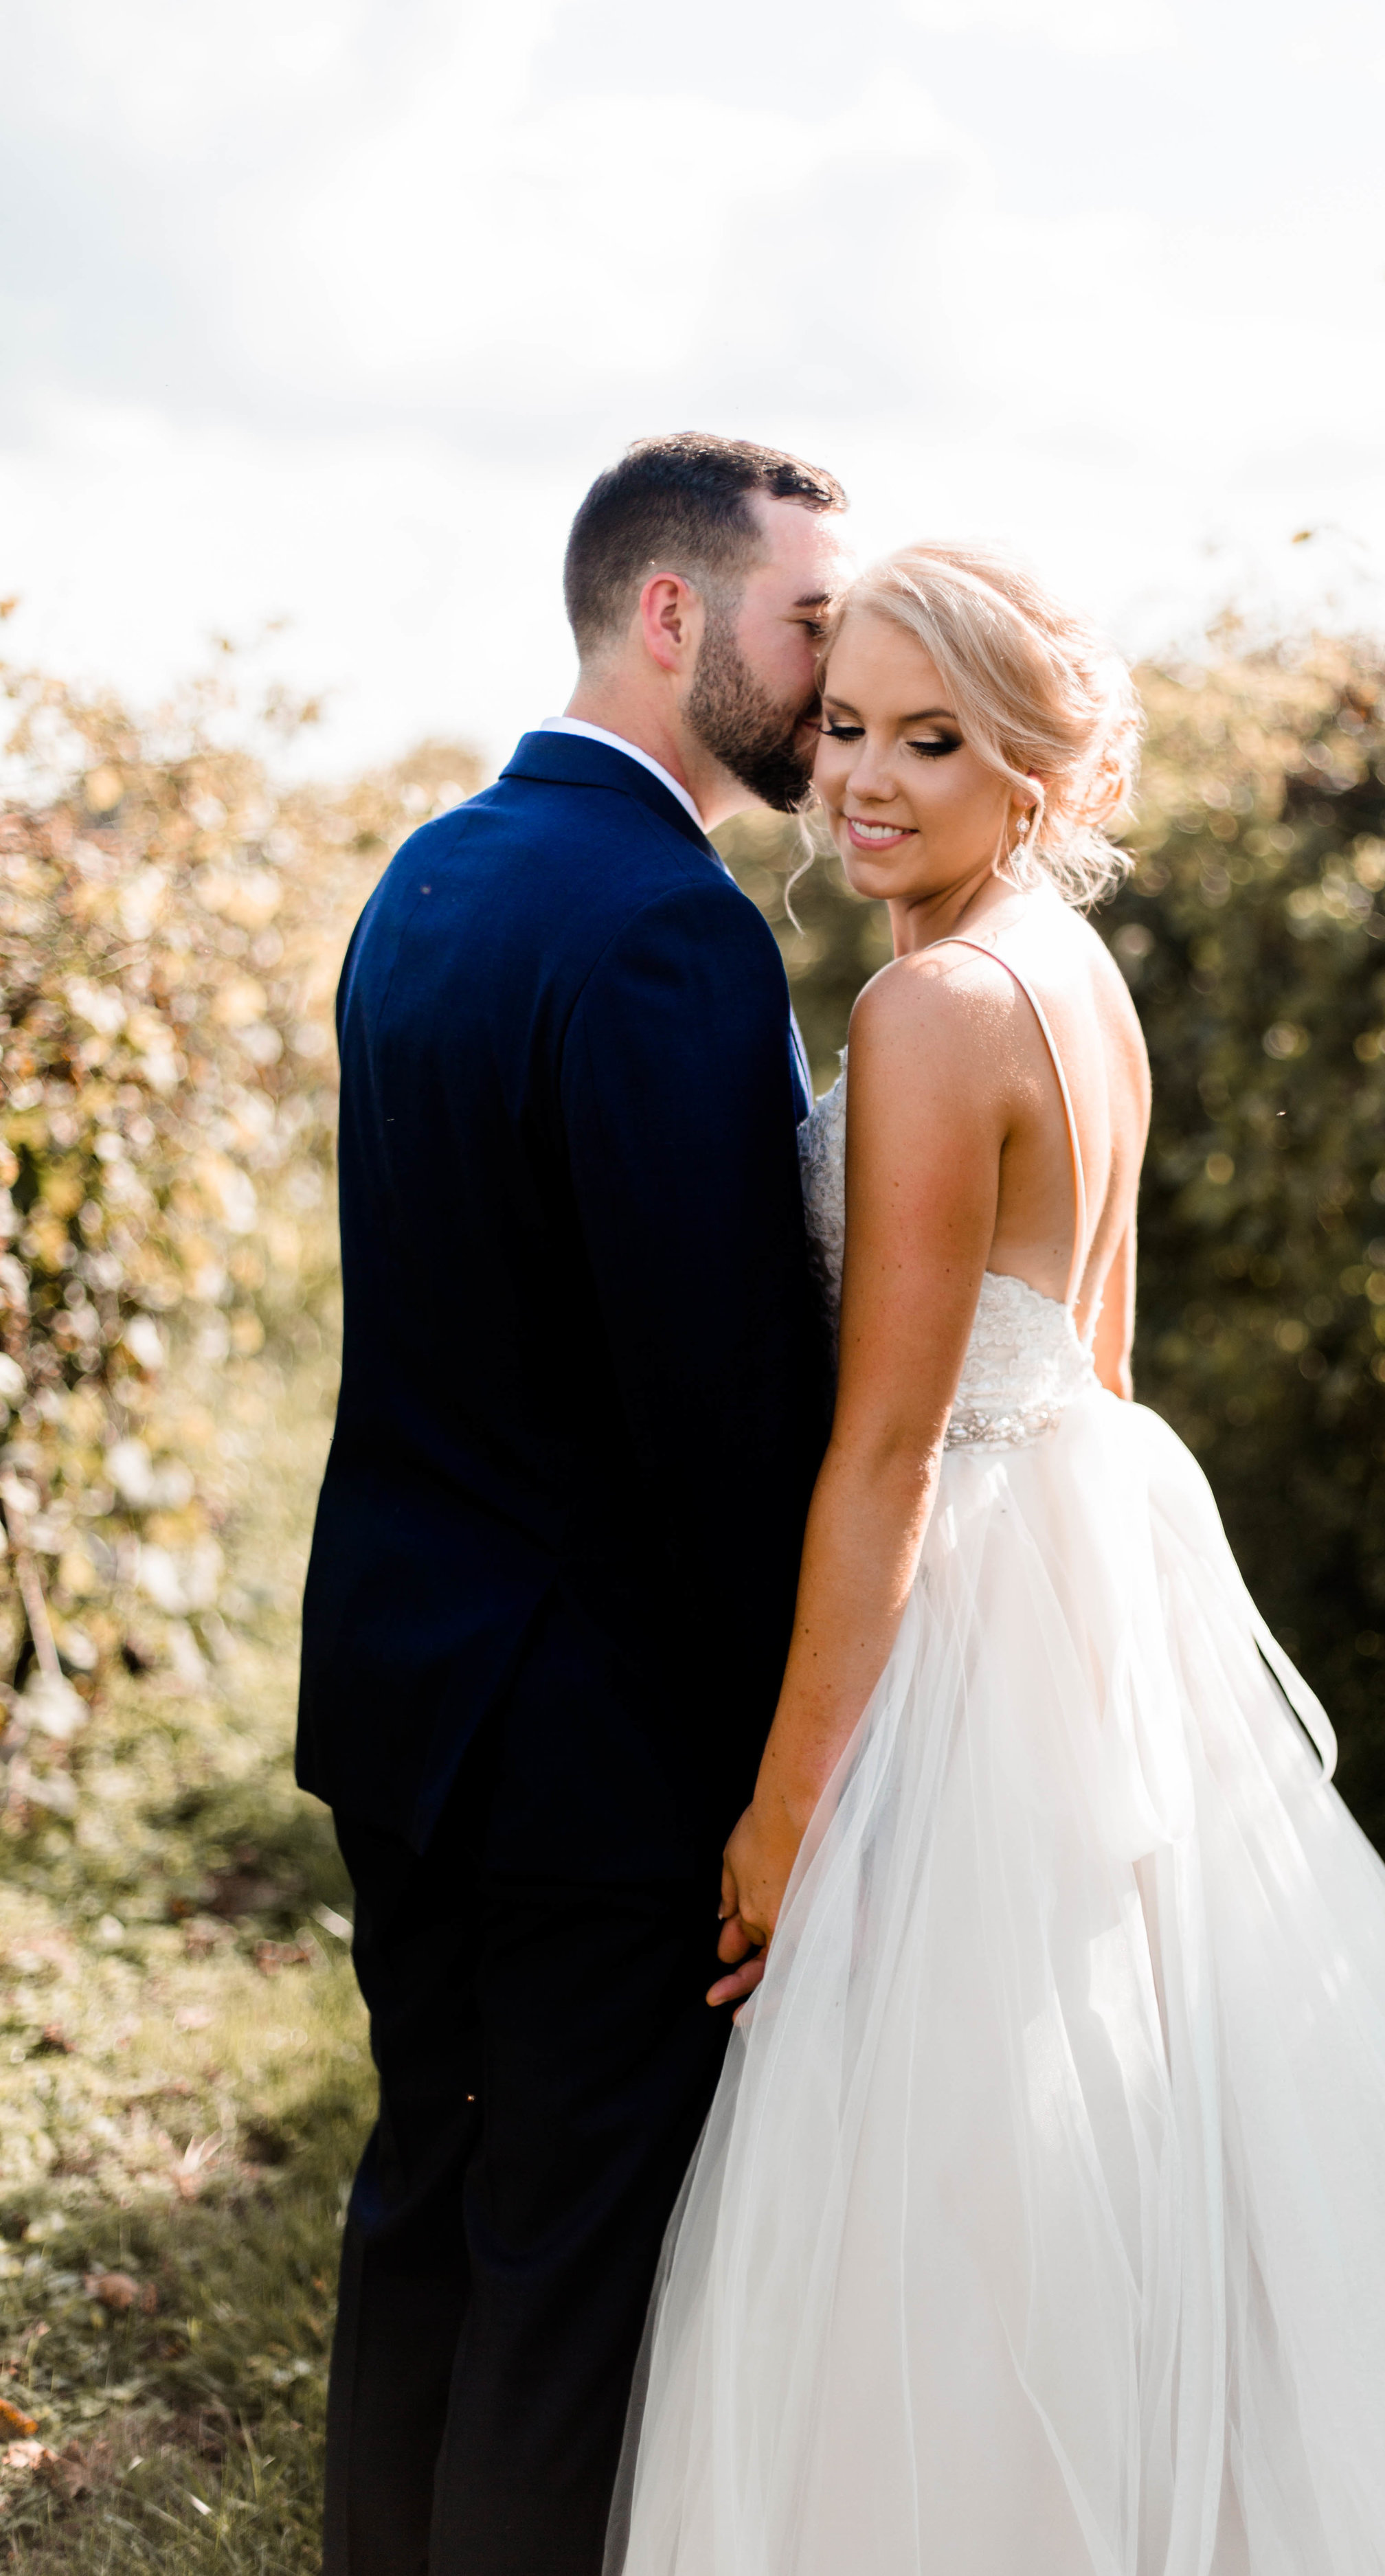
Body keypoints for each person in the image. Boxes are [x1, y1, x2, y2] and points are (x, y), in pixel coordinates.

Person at [607, 543, 1385, 2575]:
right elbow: (1094, 1359)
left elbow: (881, 1455)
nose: (863, 778)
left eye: (928, 741)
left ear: (1033, 766)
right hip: (1083, 1566)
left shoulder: (932, 1001)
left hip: (964, 1597)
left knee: (954, 2158)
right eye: (843, 723)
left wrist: (780, 1812)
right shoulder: (1069, 972)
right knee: (1113, 2108)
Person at [296, 433, 849, 2576]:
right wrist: (775, 1768)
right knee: (562, 2274)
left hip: (405, 1689)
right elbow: (706, 1415)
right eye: (809, 624)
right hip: (590, 1743)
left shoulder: (428, 868)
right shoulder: (660, 932)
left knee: (423, 2200)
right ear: (671, 615)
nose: (830, 673)